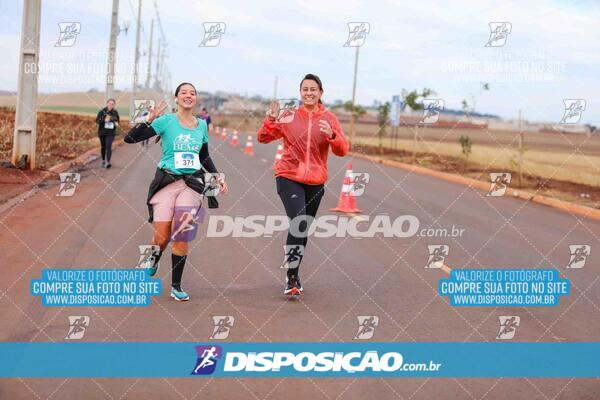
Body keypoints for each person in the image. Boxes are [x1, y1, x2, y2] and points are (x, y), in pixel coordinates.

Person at [124, 82, 228, 301]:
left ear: (196, 98)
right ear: (176, 98)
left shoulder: (201, 125)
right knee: (161, 237)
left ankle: (176, 286)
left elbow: (204, 156)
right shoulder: (166, 121)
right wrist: (148, 119)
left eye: (192, 93)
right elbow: (130, 138)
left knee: (181, 232)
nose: (188, 96)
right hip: (166, 181)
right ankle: (154, 256)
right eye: (184, 93)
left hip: (191, 184)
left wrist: (217, 176)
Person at [257, 74, 349, 295]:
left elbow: (342, 149)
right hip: (288, 175)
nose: (309, 93)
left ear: (320, 93)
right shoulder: (288, 116)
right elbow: (263, 138)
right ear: (300, 93)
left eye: (313, 89)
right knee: (298, 222)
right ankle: (291, 278)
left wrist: (333, 135)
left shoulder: (330, 118)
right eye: (305, 89)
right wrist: (270, 120)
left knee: (303, 228)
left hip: (316, 181)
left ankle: (294, 272)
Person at [96, 98, 120, 168]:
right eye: (109, 103)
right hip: (102, 132)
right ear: (107, 104)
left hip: (111, 133)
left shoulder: (115, 112)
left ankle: (108, 162)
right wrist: (104, 120)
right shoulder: (102, 111)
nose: (111, 105)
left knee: (108, 146)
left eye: (112, 104)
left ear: (114, 105)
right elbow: (97, 121)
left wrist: (116, 123)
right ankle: (103, 160)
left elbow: (117, 121)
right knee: (103, 147)